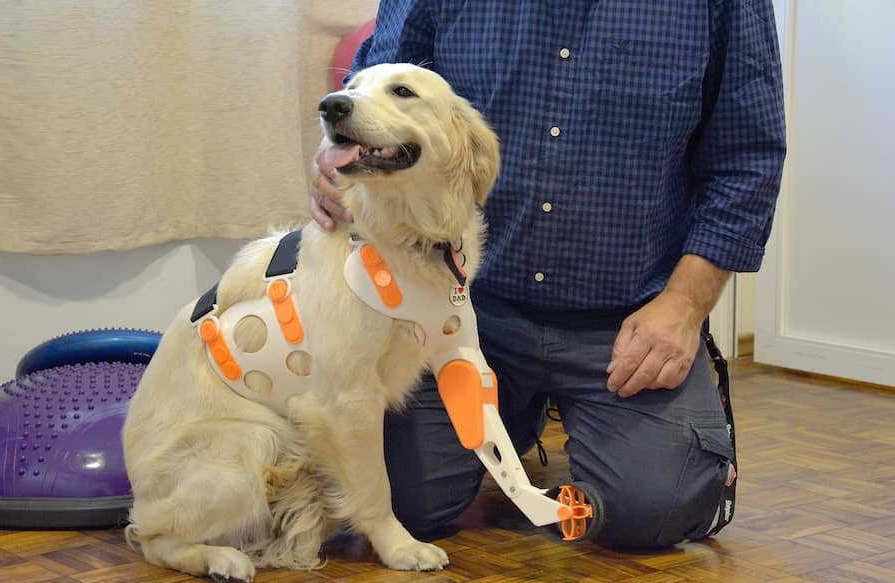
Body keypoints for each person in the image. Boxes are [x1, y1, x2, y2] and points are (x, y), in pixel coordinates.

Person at [309, 0, 786, 549]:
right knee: (393, 499)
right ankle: (511, 414)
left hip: (628, 317)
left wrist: (684, 306)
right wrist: (335, 156)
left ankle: (533, 418)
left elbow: (748, 158)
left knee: (654, 509)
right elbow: (372, 94)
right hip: (462, 309)